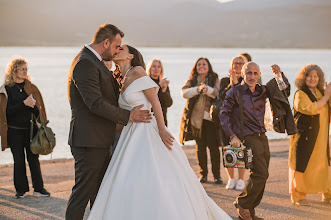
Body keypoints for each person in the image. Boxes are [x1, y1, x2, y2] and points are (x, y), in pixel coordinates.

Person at [87, 45, 231, 220]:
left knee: (153, 175)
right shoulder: (121, 78)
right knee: (128, 179)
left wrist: (162, 130)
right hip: (129, 134)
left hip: (147, 131)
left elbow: (155, 103)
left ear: (130, 55)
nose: (116, 50)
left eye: (121, 48)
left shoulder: (138, 71)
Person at [65, 24, 151, 220]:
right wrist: (128, 116)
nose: (115, 52)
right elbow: (95, 103)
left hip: (100, 140)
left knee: (100, 194)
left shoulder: (94, 62)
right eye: (115, 47)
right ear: (106, 42)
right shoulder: (85, 63)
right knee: (82, 194)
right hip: (88, 142)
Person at [220, 62, 290, 220]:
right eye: (248, 73)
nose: (252, 76)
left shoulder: (262, 90)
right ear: (242, 74)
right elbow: (223, 114)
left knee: (261, 175)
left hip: (262, 136)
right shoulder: (234, 92)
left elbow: (284, 91)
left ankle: (249, 210)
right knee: (260, 173)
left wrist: (278, 75)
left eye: (255, 73)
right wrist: (232, 136)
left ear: (259, 75)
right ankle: (243, 203)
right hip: (247, 138)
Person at [0, 58, 50, 198]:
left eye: (26, 69)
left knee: (34, 158)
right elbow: (5, 113)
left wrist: (33, 107)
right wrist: (24, 103)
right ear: (14, 70)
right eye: (22, 69)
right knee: (19, 160)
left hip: (31, 130)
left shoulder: (31, 87)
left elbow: (38, 111)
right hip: (14, 131)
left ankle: (39, 188)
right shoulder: (7, 89)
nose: (25, 71)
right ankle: (21, 190)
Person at [289, 64, 331, 205]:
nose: (312, 78)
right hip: (305, 138)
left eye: (315, 76)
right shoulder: (300, 94)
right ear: (303, 77)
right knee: (303, 166)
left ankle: (327, 192)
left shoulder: (320, 93)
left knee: (322, 165)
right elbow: (311, 108)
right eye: (309, 75)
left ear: (319, 78)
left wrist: (328, 96)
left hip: (321, 137)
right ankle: (299, 195)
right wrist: (327, 96)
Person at [179, 57, 222, 184]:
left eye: (204, 64)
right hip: (195, 121)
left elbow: (218, 94)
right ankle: (203, 174)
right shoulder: (192, 80)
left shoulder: (214, 79)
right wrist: (197, 89)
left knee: (214, 148)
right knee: (200, 148)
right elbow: (184, 93)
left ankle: (217, 175)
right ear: (195, 67)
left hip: (211, 120)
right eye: (199, 65)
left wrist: (207, 90)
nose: (201, 66)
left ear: (208, 66)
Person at [219, 55, 247, 191]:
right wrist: (231, 84)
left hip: (243, 121)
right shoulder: (224, 81)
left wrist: (237, 84)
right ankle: (231, 178)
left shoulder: (248, 82)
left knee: (242, 150)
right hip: (227, 120)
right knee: (227, 149)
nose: (237, 65)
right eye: (235, 63)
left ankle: (241, 179)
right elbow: (222, 97)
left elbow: (244, 100)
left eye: (241, 63)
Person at [147, 59, 173, 126]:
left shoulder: (164, 84)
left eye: (159, 67)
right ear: (149, 68)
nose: (156, 69)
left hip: (162, 121)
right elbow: (149, 100)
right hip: (149, 120)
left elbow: (169, 103)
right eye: (154, 66)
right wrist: (158, 86)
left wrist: (164, 91)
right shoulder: (146, 83)